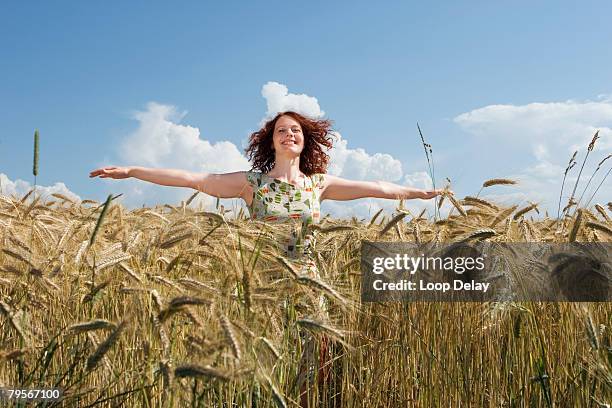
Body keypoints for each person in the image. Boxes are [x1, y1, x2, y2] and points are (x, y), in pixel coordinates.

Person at [89, 111, 446, 406]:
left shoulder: (318, 184)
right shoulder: (252, 184)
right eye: (281, 130)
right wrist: (133, 170)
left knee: (311, 372)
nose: (288, 134)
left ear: (305, 139)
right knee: (271, 369)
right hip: (265, 290)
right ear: (270, 140)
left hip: (310, 288)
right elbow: (197, 179)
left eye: (295, 130)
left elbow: (378, 189)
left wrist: (419, 193)